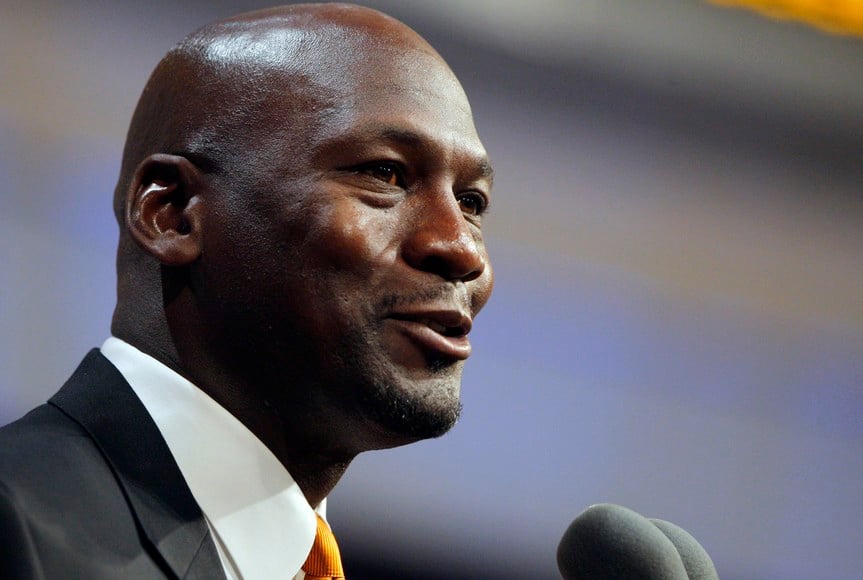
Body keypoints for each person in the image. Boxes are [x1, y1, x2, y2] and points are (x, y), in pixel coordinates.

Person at [0, 3, 494, 579]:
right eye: (384, 174)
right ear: (173, 214)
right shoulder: (19, 529)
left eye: (472, 202)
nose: (463, 251)